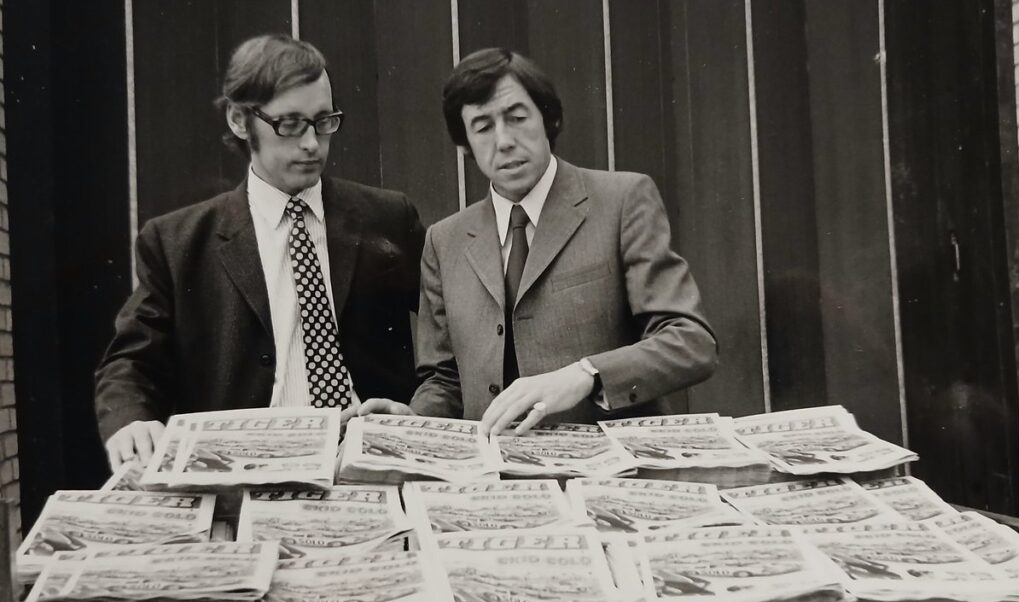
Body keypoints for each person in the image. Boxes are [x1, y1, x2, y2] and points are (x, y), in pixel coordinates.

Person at [95, 34, 425, 469]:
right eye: (289, 124)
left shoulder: (388, 218)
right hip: (244, 474)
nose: (311, 143)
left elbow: (456, 332)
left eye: (323, 121)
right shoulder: (177, 241)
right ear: (239, 120)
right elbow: (131, 361)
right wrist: (129, 420)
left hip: (369, 463)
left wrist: (421, 413)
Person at [361, 48, 716, 434]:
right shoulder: (444, 241)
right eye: (482, 126)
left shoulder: (623, 200)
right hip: (494, 482)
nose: (505, 141)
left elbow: (690, 342)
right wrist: (414, 421)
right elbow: (446, 380)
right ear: (465, 145)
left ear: (549, 119)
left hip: (607, 475)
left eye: (517, 118)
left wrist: (586, 374)